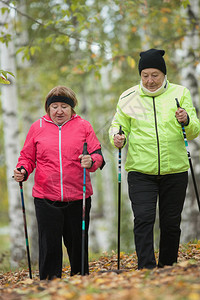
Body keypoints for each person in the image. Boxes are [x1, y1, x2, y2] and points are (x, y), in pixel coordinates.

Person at [109, 49, 200, 270]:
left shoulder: (180, 93)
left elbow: (194, 131)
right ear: (140, 75)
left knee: (170, 224)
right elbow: (118, 126)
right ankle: (146, 268)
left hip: (175, 169)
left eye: (155, 75)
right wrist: (117, 137)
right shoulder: (130, 97)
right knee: (143, 219)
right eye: (145, 75)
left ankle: (167, 266)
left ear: (164, 74)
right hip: (141, 171)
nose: (150, 80)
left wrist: (186, 119)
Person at [14, 85, 105, 279]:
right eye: (54, 106)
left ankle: (81, 282)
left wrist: (91, 161)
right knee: (50, 246)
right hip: (46, 197)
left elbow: (98, 155)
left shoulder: (84, 126)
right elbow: (27, 158)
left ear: (72, 108)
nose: (59, 111)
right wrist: (22, 170)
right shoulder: (37, 127)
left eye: (64, 106)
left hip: (78, 196)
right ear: (48, 108)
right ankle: (49, 284)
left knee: (77, 246)